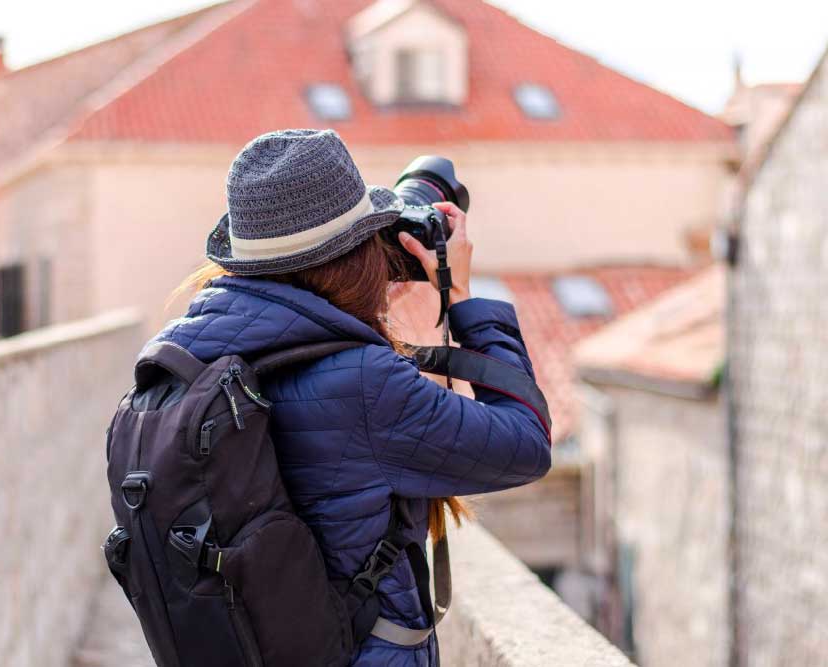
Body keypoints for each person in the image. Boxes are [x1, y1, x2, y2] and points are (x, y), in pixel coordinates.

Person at [153, 129, 551, 666]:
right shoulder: (361, 382)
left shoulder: (186, 353)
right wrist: (459, 296)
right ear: (353, 255)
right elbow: (527, 444)